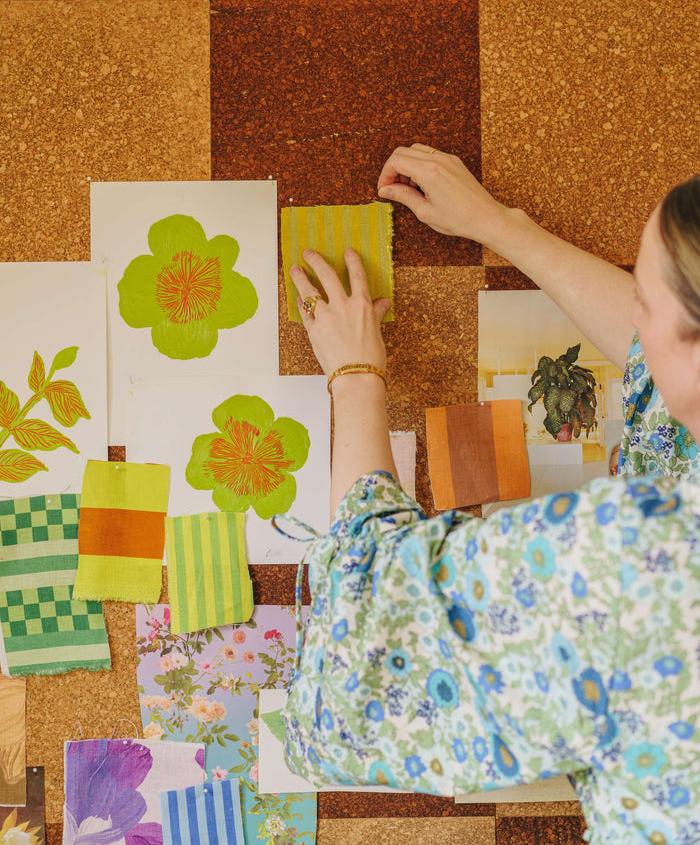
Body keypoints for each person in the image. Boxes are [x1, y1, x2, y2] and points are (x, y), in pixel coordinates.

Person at [283, 144, 700, 845]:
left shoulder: (641, 565)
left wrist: (355, 374)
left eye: (642, 298)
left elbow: (363, 626)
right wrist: (502, 226)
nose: (635, 316)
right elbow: (657, 364)